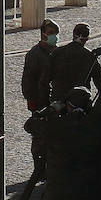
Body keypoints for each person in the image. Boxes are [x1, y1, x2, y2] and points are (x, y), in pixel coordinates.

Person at [21, 18, 61, 176]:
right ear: (43, 34)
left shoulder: (57, 52)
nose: (54, 36)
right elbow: (28, 80)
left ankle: (50, 167)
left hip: (54, 102)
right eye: (51, 33)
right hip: (40, 102)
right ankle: (39, 168)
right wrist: (32, 100)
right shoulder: (35, 54)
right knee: (39, 136)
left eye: (56, 33)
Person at [50, 22, 101, 98]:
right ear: (87, 38)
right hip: (79, 99)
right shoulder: (90, 56)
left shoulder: (58, 51)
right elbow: (99, 81)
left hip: (58, 97)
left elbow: (46, 75)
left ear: (73, 34)